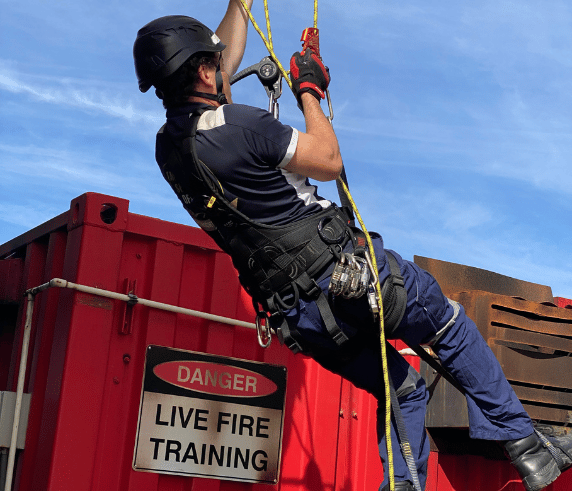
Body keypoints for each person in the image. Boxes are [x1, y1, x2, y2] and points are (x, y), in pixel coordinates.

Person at [133, 2, 572, 490]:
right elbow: (328, 159)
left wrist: (241, 4)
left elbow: (221, 69)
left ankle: (401, 486)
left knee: (402, 389)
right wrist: (310, 91)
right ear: (201, 69)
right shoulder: (241, 126)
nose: (222, 68)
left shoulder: (170, 148)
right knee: (449, 326)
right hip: (348, 275)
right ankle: (528, 448)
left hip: (297, 315)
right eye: (213, 63)